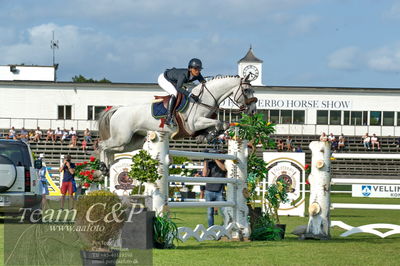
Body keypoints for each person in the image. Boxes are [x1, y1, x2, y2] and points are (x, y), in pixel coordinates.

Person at [158, 58, 206, 125]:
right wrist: (191, 95)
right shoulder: (183, 75)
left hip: (174, 81)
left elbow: (204, 84)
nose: (197, 71)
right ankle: (168, 118)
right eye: (195, 69)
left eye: (199, 69)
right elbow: (179, 88)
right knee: (174, 93)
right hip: (164, 79)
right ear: (190, 69)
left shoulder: (198, 75)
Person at [202, 150, 227, 227]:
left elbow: (224, 169)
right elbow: (204, 174)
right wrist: (205, 161)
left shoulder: (225, 162)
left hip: (219, 191)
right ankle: (211, 230)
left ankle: (226, 227)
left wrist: (215, 159)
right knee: (210, 213)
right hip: (209, 190)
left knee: (224, 212)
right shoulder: (210, 163)